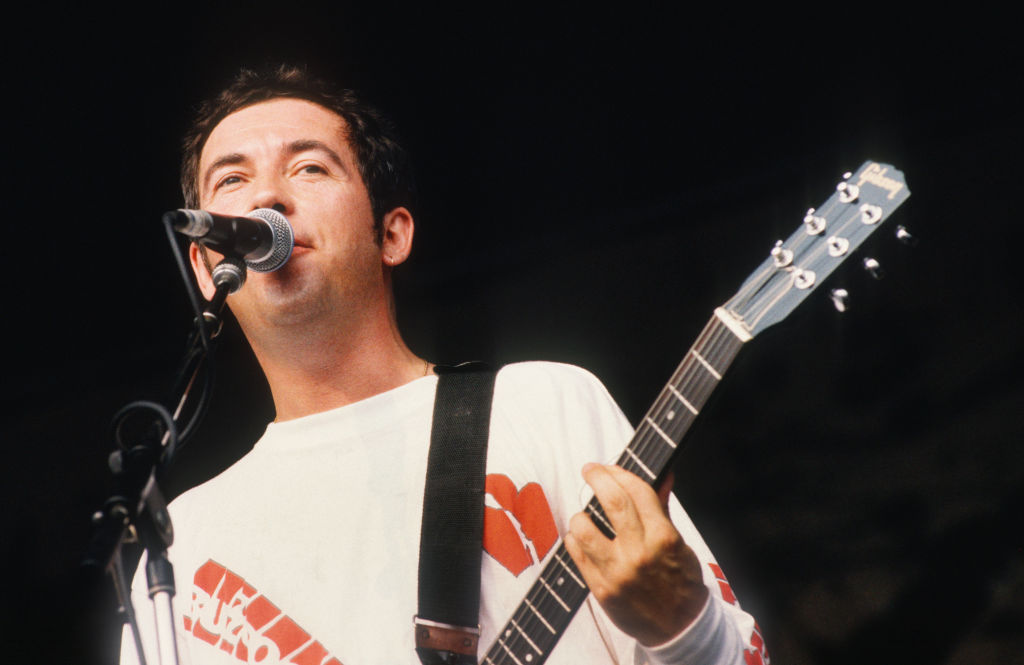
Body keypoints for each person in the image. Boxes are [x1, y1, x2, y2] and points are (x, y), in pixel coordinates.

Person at [122, 65, 768, 665]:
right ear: (207, 268)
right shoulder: (184, 547)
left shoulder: (544, 403)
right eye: (232, 181)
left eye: (309, 169)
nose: (267, 194)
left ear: (392, 234)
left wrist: (683, 623)